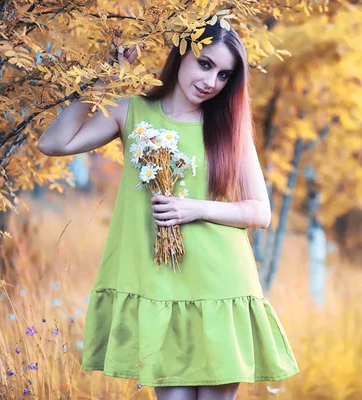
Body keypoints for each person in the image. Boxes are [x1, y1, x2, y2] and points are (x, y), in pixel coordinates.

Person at [36, 23, 300, 400]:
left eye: (224, 74)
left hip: (219, 284)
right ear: (180, 55)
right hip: (158, 284)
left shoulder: (227, 127)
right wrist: (104, 81)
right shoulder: (131, 111)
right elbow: (53, 143)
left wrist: (194, 208)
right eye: (205, 64)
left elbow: (260, 212)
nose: (212, 81)